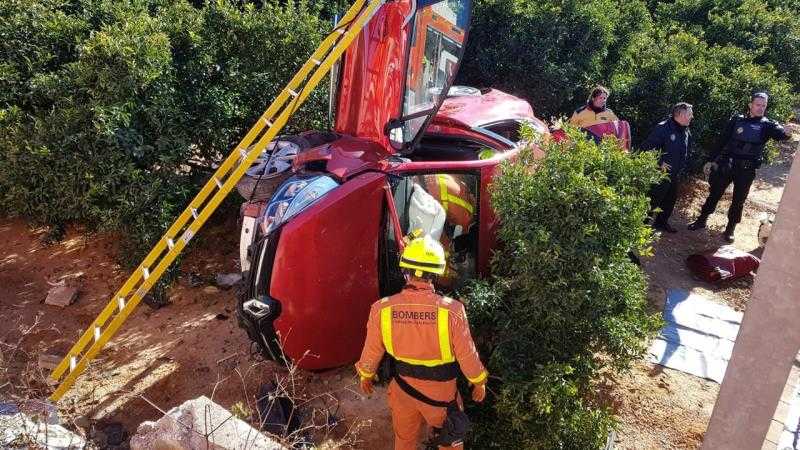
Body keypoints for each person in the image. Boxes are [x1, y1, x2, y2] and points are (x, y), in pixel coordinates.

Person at [356, 236, 488, 450]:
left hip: (402, 391)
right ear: (436, 274)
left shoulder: (381, 309)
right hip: (441, 396)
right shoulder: (452, 310)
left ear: (405, 271)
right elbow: (467, 355)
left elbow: (372, 350)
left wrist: (366, 374)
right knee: (450, 443)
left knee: (404, 441)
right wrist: (478, 380)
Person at [688, 93, 791, 242]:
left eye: (764, 105)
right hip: (727, 165)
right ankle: (701, 220)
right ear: (750, 105)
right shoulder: (737, 120)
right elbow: (722, 140)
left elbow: (780, 133)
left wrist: (786, 133)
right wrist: (710, 160)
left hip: (746, 170)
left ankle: (730, 229)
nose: (761, 108)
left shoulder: (767, 125)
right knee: (715, 193)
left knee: (738, 200)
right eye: (758, 104)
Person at [641, 102, 694, 233]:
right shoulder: (663, 128)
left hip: (675, 173)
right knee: (653, 201)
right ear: (680, 115)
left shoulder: (685, 129)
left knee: (669, 200)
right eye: (689, 114)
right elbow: (647, 148)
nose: (692, 116)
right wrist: (659, 163)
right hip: (661, 173)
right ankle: (642, 227)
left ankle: (661, 223)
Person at [569, 85, 631, 150]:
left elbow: (618, 129)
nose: (603, 100)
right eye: (600, 98)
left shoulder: (609, 113)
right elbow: (571, 131)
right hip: (583, 148)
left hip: (603, 148)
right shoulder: (579, 112)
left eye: (604, 98)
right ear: (593, 98)